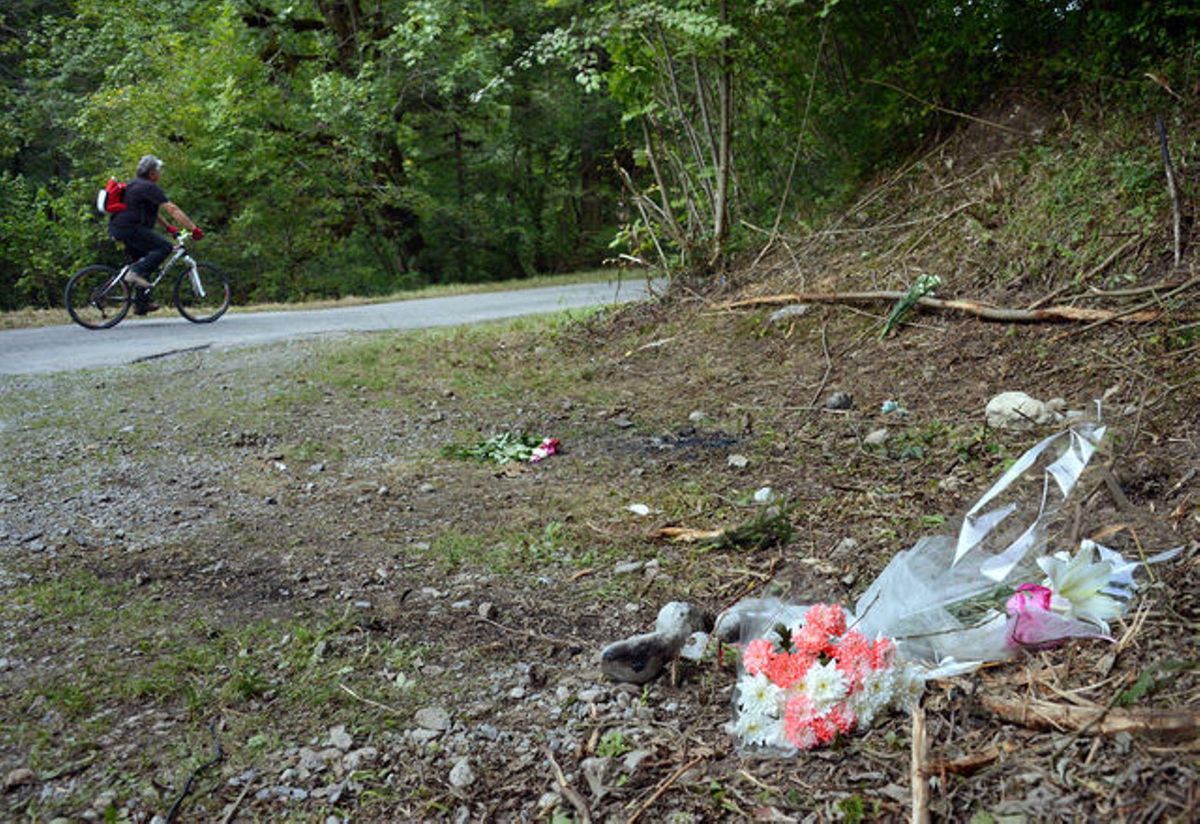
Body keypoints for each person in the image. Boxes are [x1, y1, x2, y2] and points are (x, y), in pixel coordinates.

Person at [107, 155, 204, 314]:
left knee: (145, 261)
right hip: (131, 228)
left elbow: (150, 212)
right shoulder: (149, 187)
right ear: (152, 173)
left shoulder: (134, 185)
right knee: (164, 248)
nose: (160, 173)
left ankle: (141, 304)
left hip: (118, 227)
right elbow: (172, 209)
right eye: (158, 171)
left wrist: (168, 227)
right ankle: (134, 274)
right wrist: (193, 228)